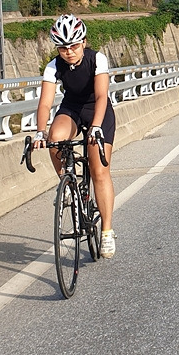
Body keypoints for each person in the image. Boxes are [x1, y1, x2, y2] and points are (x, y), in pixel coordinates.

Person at [32, 14, 117, 258]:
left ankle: (107, 231)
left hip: (97, 110)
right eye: (63, 48)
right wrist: (40, 131)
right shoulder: (53, 66)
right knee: (55, 139)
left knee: (99, 171)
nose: (69, 52)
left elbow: (101, 96)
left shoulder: (96, 59)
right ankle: (67, 182)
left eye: (74, 46)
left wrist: (96, 127)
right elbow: (45, 103)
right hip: (71, 108)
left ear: (83, 42)